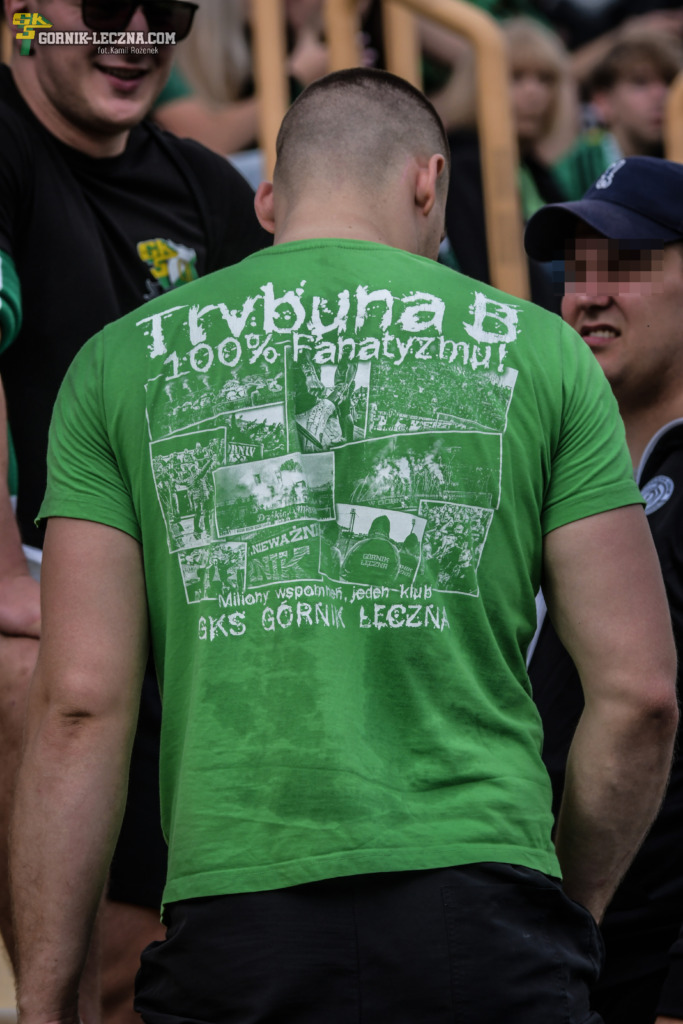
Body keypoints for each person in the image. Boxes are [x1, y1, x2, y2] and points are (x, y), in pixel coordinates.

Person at [10, 69, 679, 1024]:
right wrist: (566, 911)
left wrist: (43, 1003)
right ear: (428, 183)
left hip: (236, 929)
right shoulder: (543, 350)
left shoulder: (116, 362)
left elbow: (80, 705)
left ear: (268, 201)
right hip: (488, 916)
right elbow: (640, 695)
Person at [0, 0, 269, 1020]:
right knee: (42, 677)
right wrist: (5, 577)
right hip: (44, 590)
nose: (139, 33)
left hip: (164, 602)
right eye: (107, 6)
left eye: (170, 10)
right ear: (28, 17)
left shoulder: (203, 185)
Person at [524, 155, 683, 1024]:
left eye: (625, 265)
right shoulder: (537, 462)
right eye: (574, 269)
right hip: (532, 954)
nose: (585, 295)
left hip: (644, 966)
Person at [554, 34, 683, 200]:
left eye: (669, 82)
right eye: (640, 82)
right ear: (603, 102)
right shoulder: (575, 170)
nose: (661, 95)